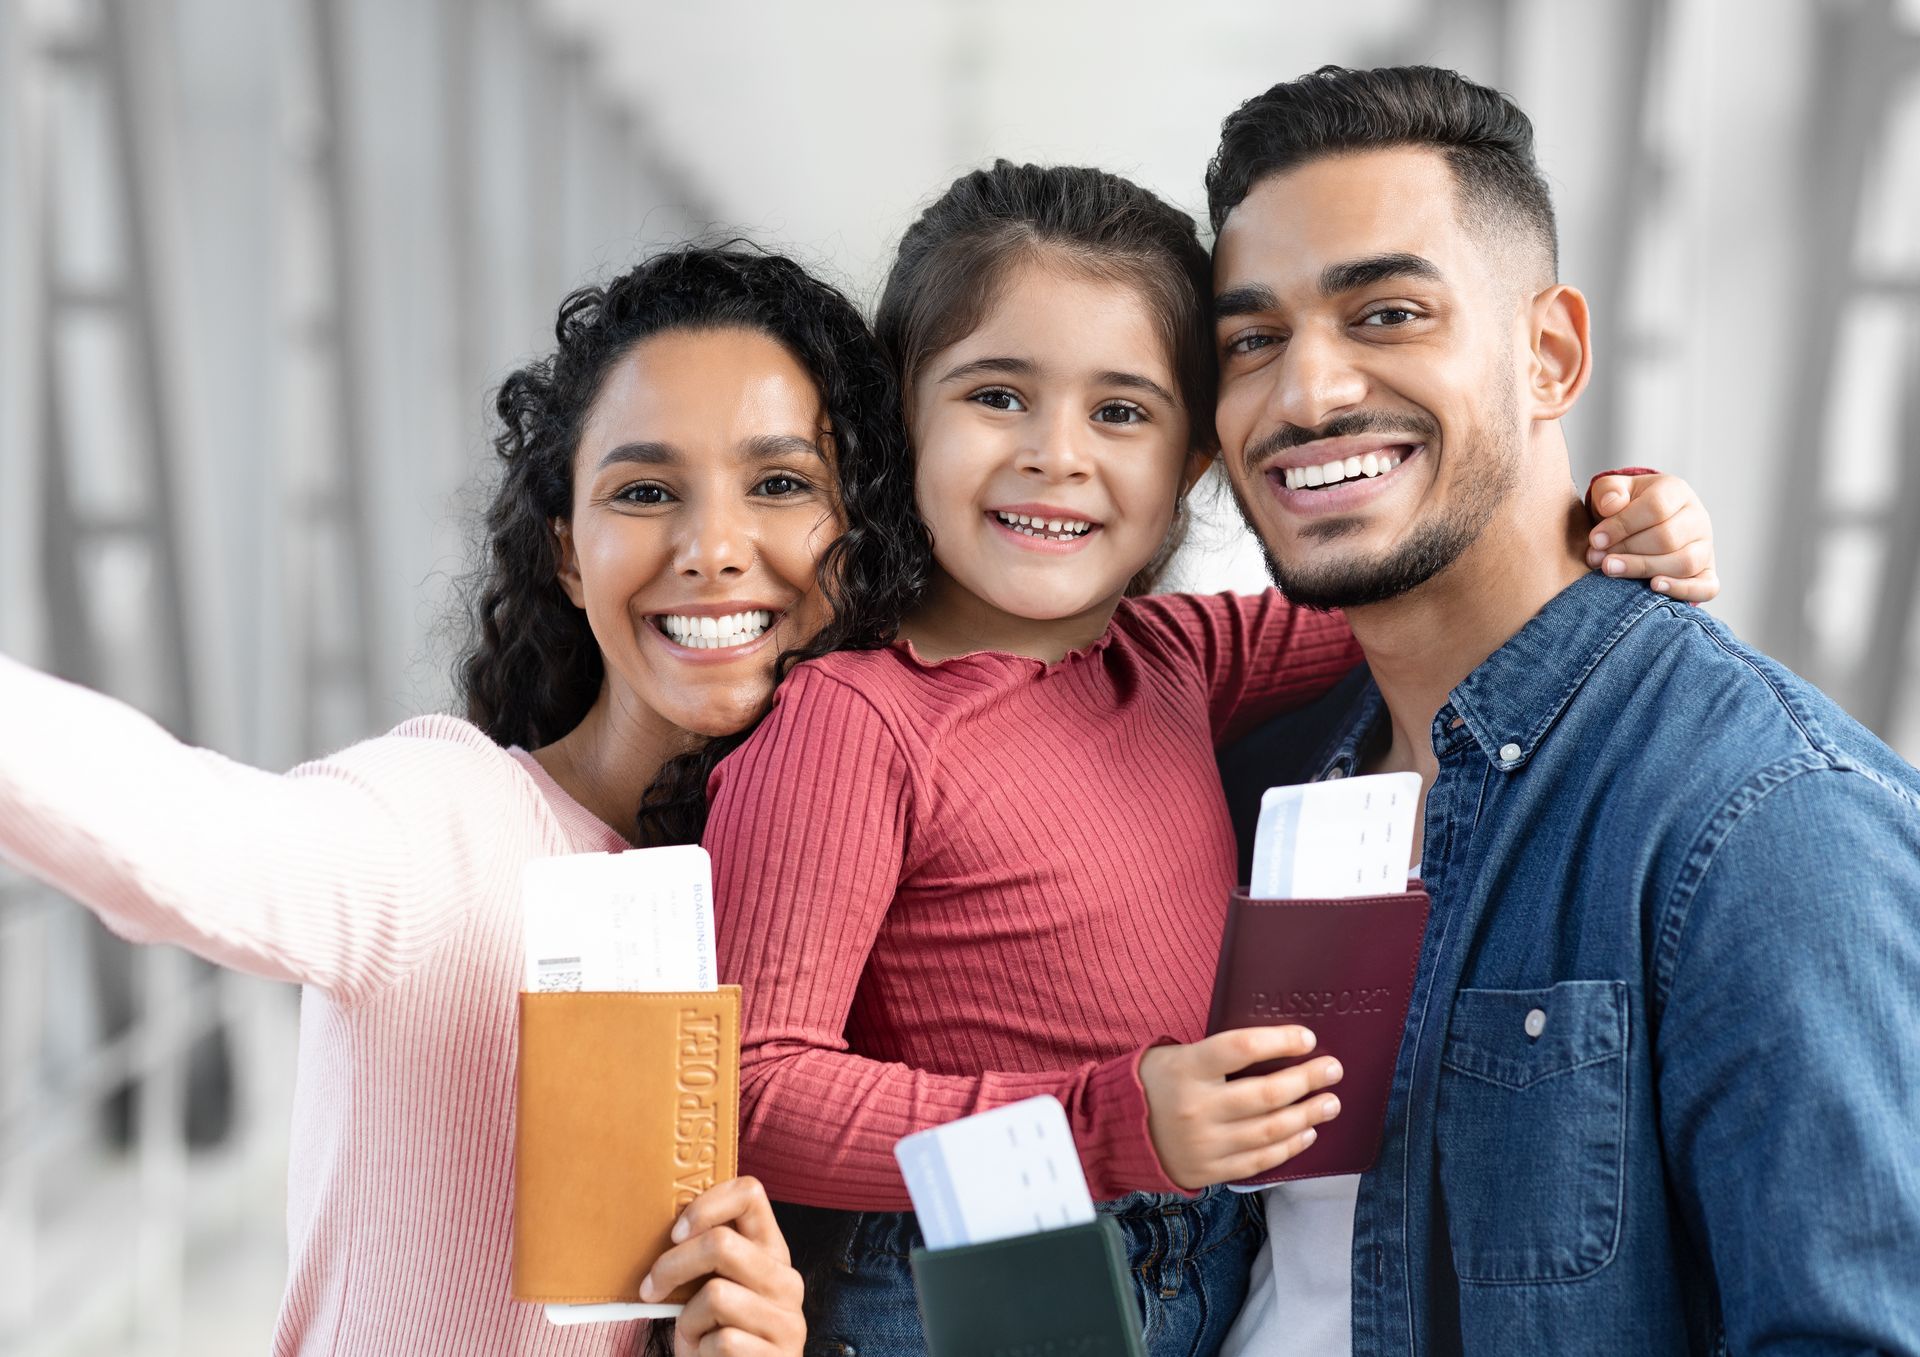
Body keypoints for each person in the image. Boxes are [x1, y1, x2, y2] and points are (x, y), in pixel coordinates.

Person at [688, 161, 1721, 1355]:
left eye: (1121, 412)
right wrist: (1112, 1123)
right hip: (980, 1273)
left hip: (1205, 1258)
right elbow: (754, 1087)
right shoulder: (854, 720)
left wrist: (1616, 518)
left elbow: (1428, 582)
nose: (1057, 457)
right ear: (900, 420)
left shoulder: (1173, 654)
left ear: (1194, 464)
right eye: (996, 397)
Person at [0, 246, 922, 1357]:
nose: (714, 549)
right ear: (570, 555)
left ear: (860, 536)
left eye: (780, 485)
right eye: (643, 491)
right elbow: (195, 837)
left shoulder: (873, 924)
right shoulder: (452, 827)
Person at [1206, 65, 1920, 1357]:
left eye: (1387, 313)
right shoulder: (1253, 777)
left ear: (1550, 355)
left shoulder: (1767, 820)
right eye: (1252, 340)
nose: (1306, 393)